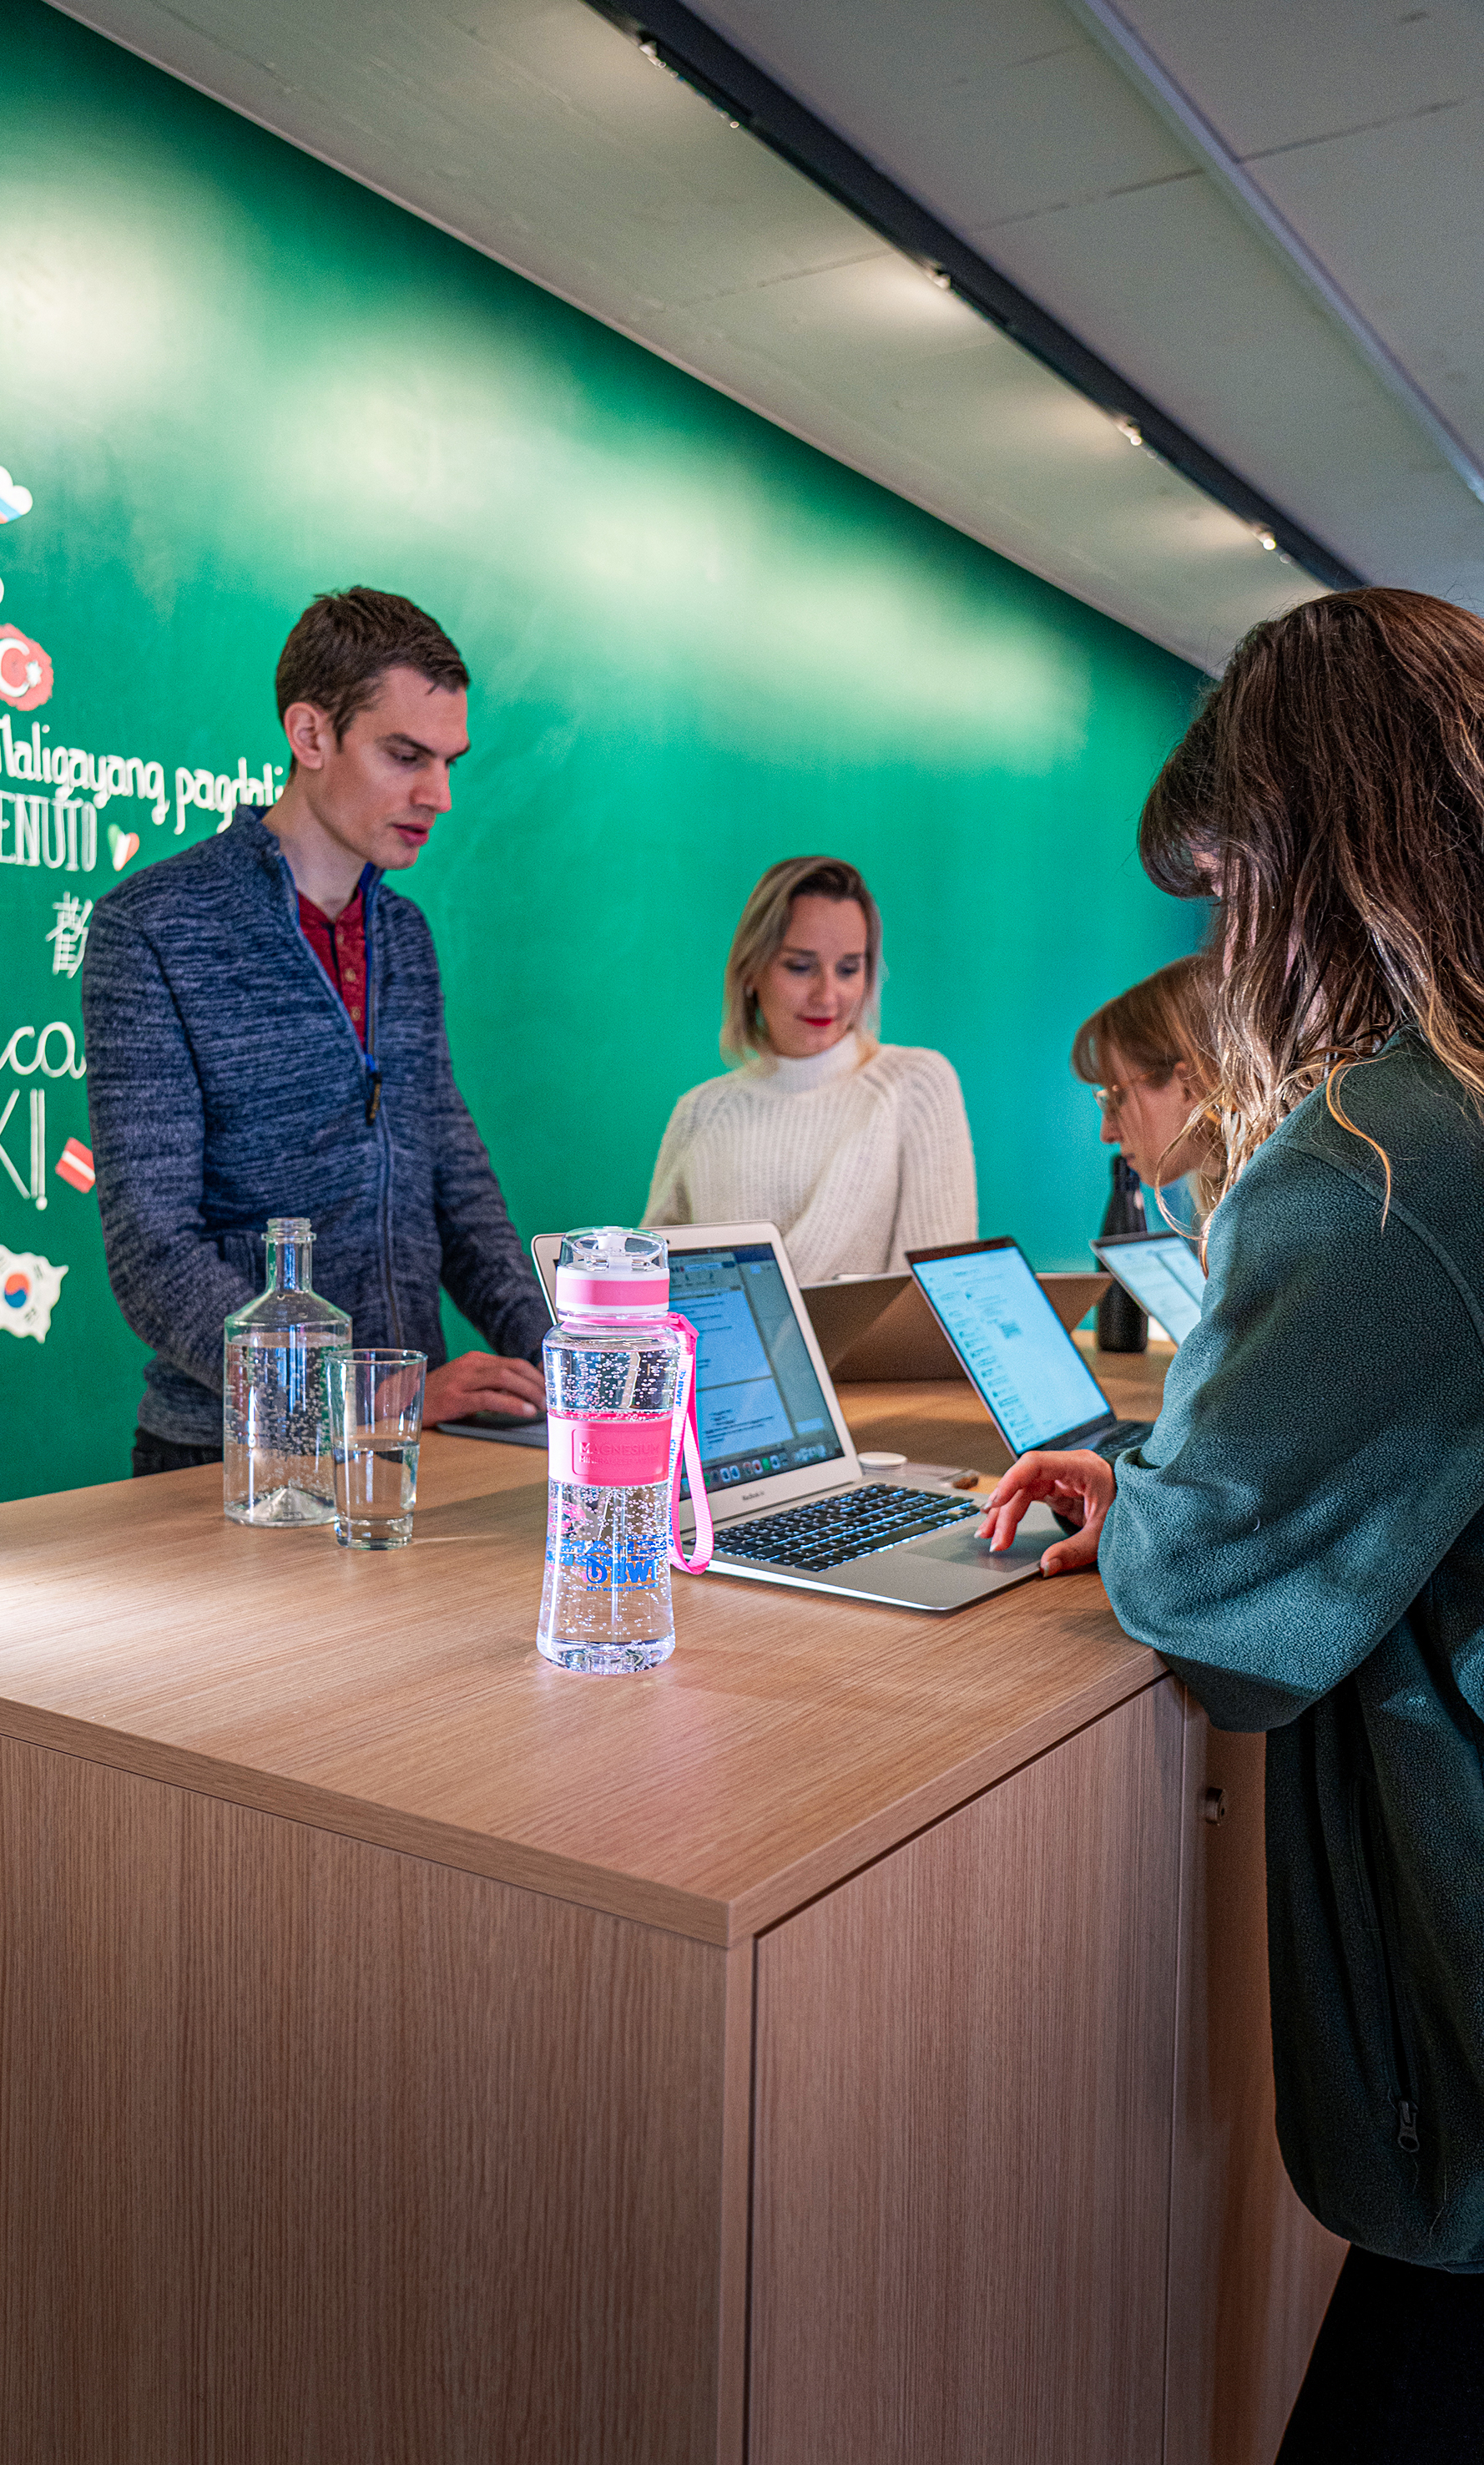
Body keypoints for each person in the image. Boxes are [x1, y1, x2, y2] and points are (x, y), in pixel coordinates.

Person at [980, 589, 1484, 2460]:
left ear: (1306, 861)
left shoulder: (1383, 1143)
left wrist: (1164, 1510)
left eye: (1223, 887)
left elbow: (1223, 1622)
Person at [83, 588, 549, 1473]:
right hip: (233, 1461)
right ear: (310, 735)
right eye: (406, 755)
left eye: (449, 760)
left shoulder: (403, 937)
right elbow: (152, 1251)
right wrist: (363, 1393)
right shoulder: (152, 928)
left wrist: (558, 1358)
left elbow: (453, 1182)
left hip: (416, 1442)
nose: (439, 794)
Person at [643, 855, 976, 1281]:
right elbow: (653, 1296)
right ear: (751, 970)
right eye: (800, 967)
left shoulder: (916, 1084)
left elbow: (933, 1299)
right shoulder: (700, 1113)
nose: (828, 995)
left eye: (849, 969)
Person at [1071, 953, 1224, 1225]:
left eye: (1117, 1099)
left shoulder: (1268, 1218)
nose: (1107, 1134)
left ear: (1191, 1085)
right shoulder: (1233, 1211)